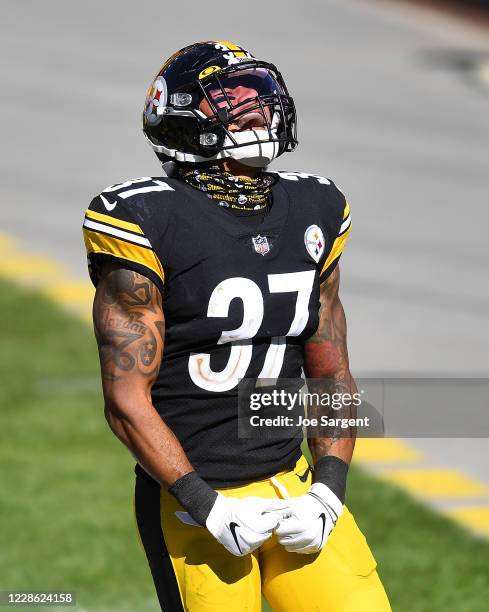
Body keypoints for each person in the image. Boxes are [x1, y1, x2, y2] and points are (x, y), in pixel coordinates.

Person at [82, 40, 391, 611]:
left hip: (291, 480)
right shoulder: (143, 219)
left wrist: (327, 491)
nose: (255, 107)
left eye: (260, 93)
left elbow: (332, 373)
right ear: (177, 116)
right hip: (192, 500)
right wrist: (206, 503)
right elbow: (125, 398)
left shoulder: (314, 207)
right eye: (229, 97)